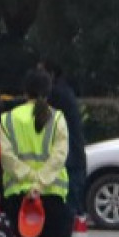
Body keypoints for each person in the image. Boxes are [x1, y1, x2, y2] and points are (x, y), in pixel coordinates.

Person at [0, 70, 72, 237]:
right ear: (48, 91)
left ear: (24, 92)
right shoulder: (58, 118)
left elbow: (7, 158)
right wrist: (41, 183)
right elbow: (59, 156)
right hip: (52, 192)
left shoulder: (9, 119)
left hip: (20, 194)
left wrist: (28, 181)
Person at [38, 59, 86, 218]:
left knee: (68, 210)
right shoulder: (63, 91)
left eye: (41, 72)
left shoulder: (57, 94)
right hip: (72, 157)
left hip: (69, 160)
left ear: (51, 74)